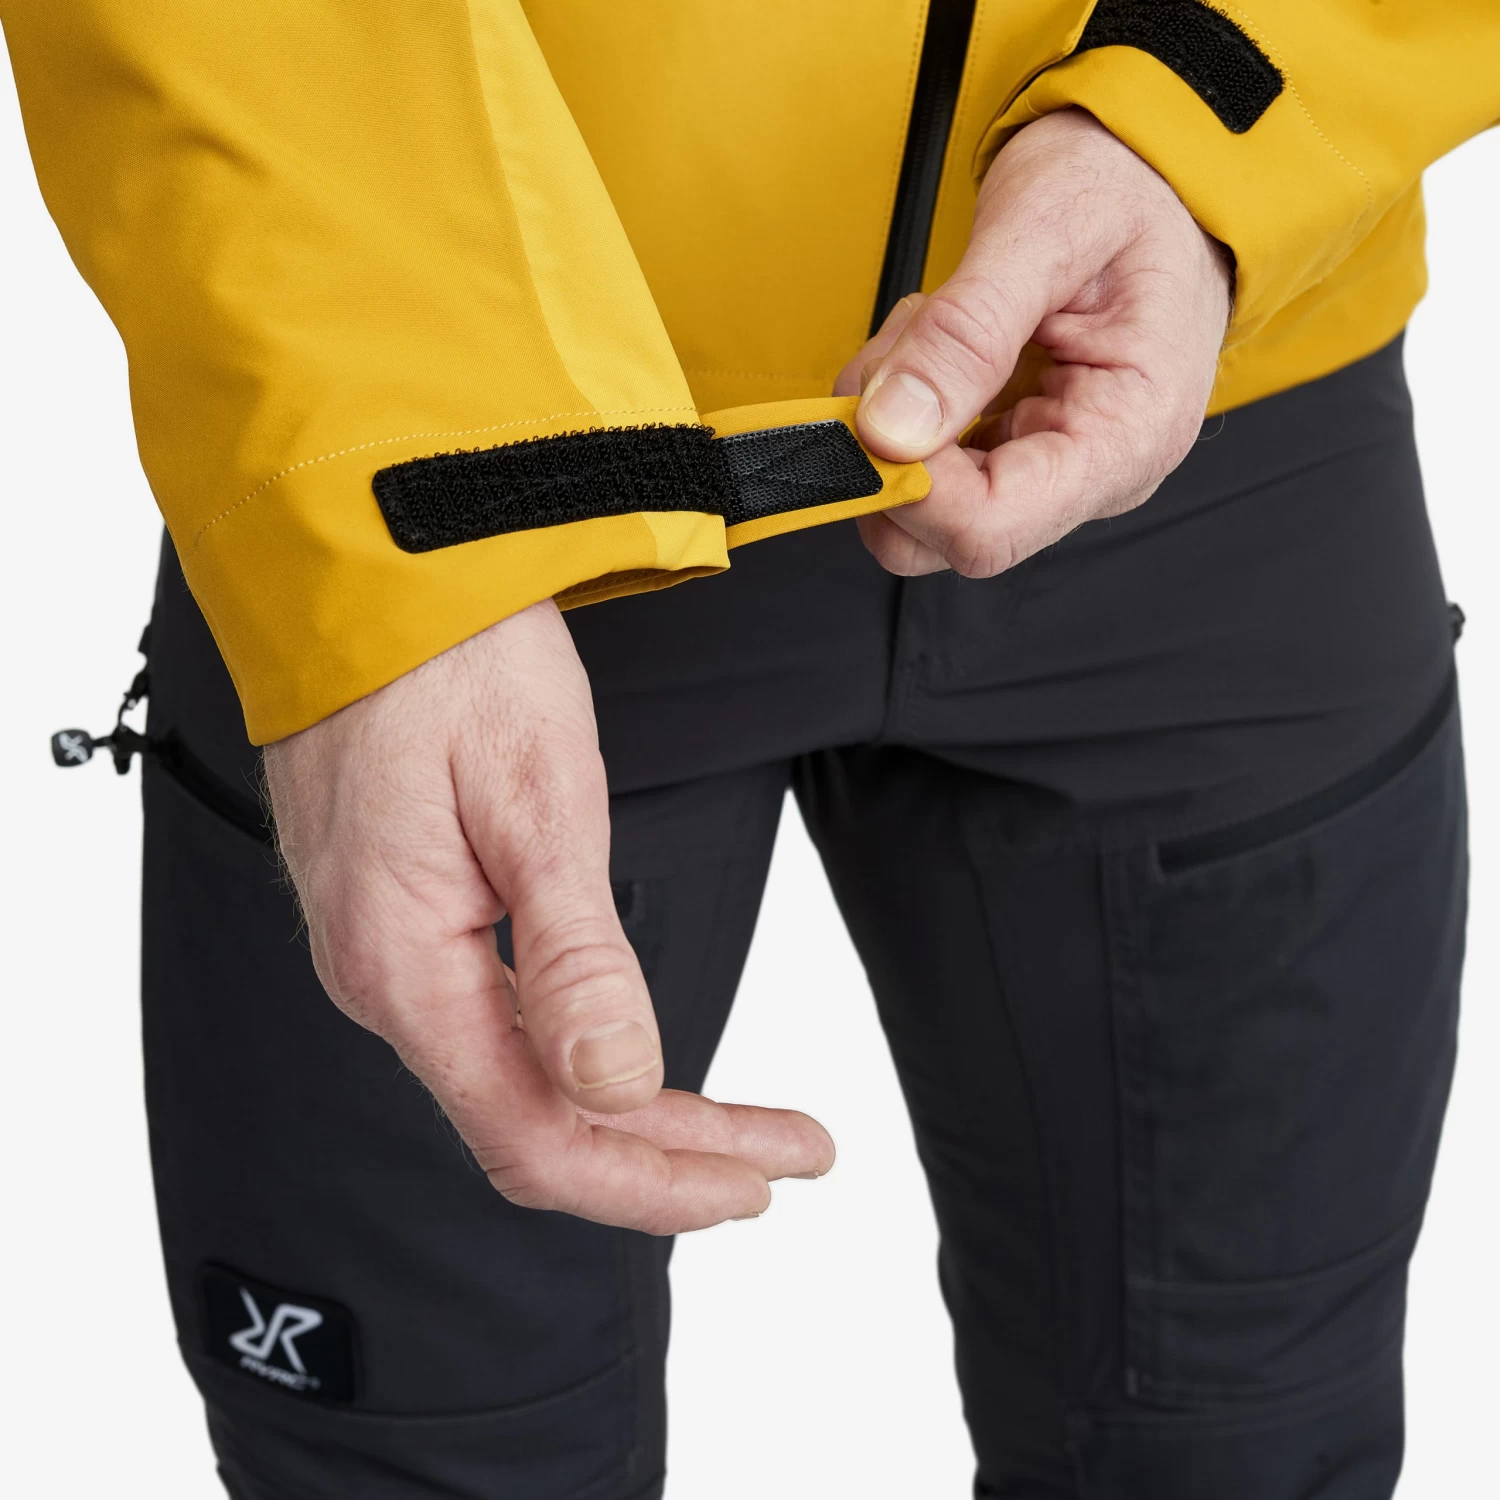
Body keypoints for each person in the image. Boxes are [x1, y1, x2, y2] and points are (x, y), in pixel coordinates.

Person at [4, 3, 1496, 1495]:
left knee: (1245, 1447)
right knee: (422, 1451)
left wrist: (1206, 121)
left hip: (1208, 395)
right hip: (474, 485)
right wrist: (387, 495)